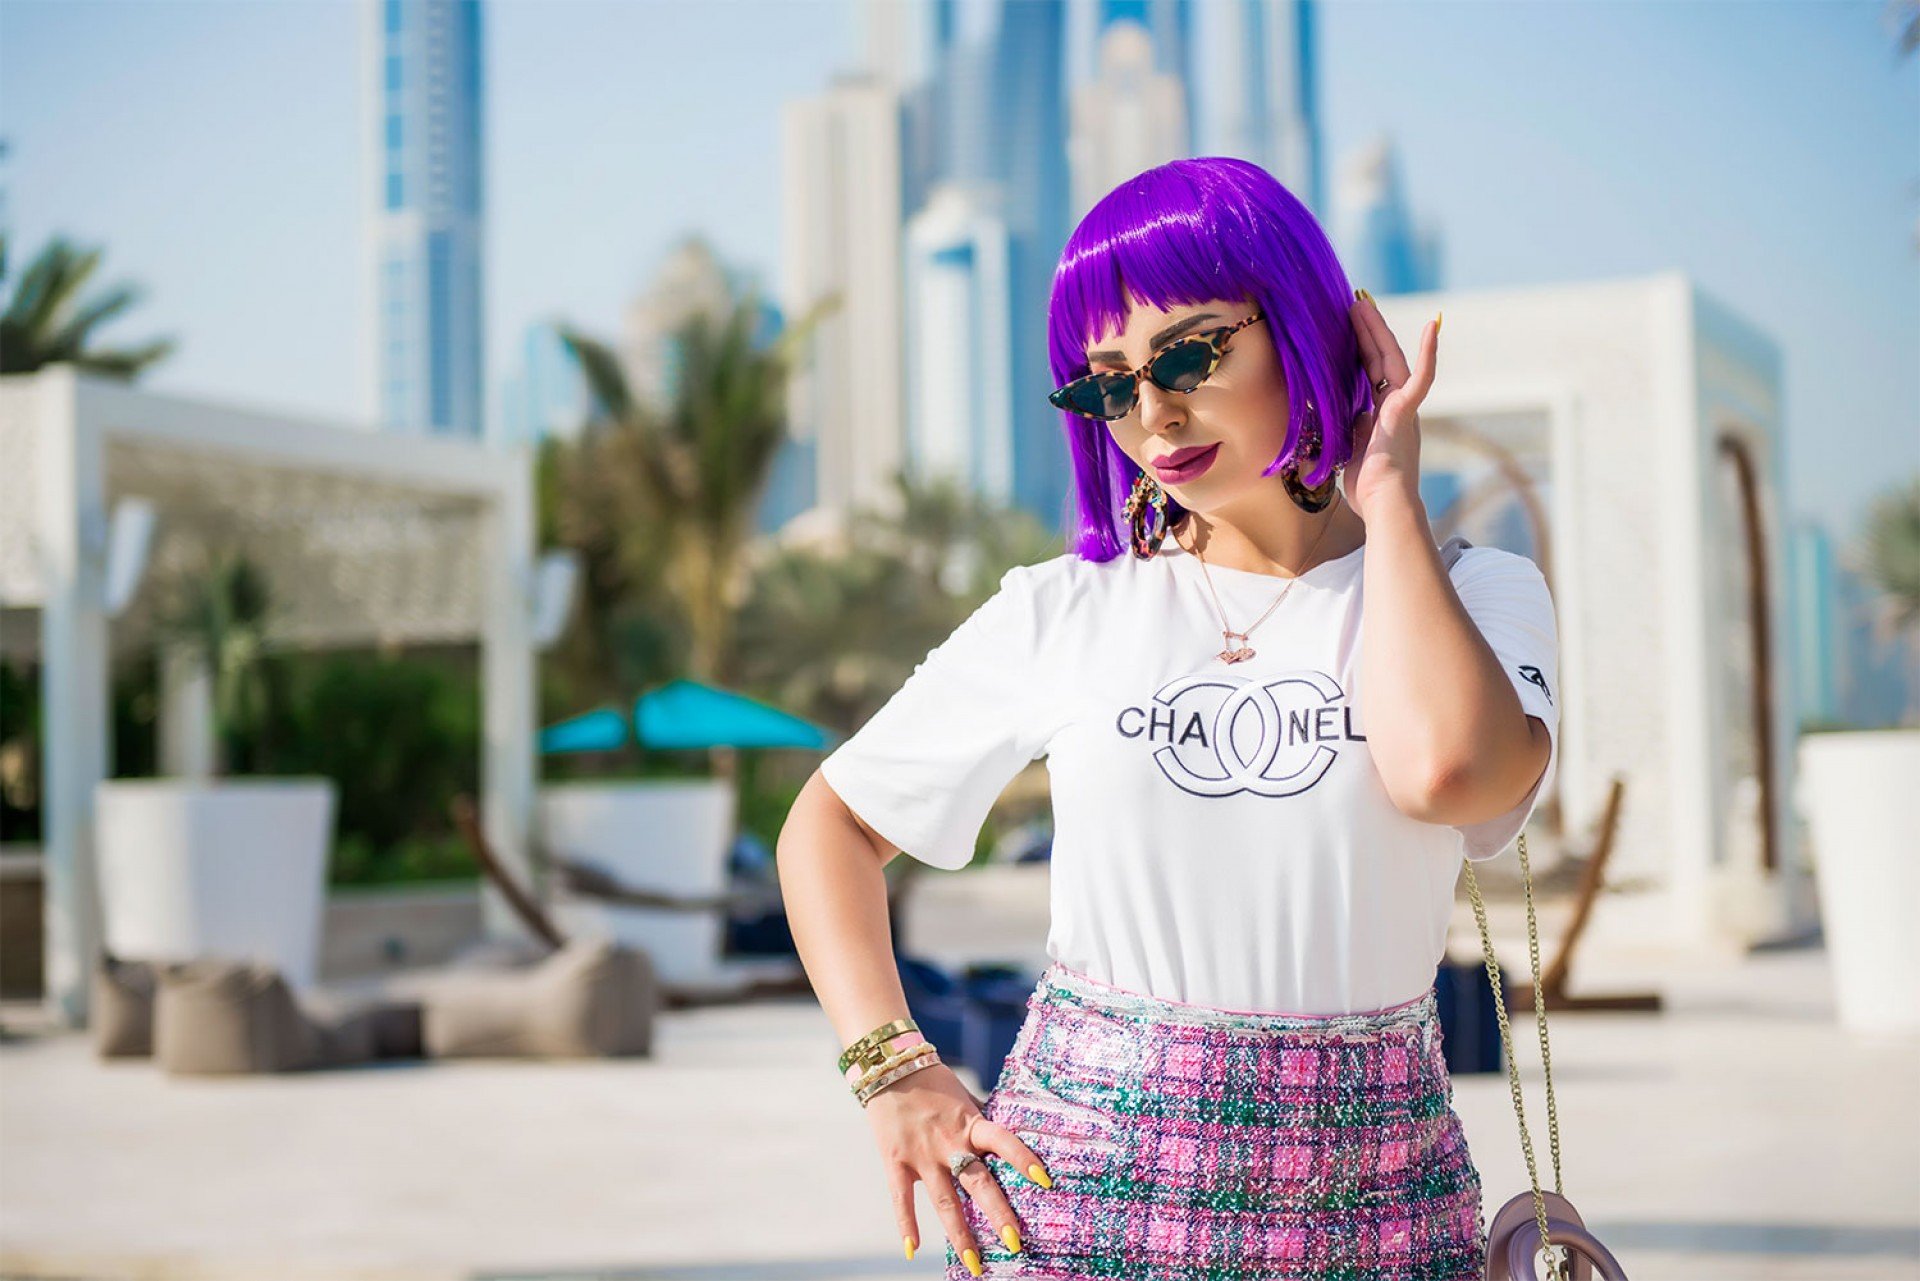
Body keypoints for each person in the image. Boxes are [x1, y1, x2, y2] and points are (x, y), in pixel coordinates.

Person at [775, 156, 1559, 1281]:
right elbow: (831, 824)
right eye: (1108, 382)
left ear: (1301, 326)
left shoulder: (1475, 593)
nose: (1152, 411)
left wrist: (1386, 493)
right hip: (1075, 1204)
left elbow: (1452, 778)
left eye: (1190, 354)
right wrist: (893, 1070)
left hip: (1382, 1212)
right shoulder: (1066, 608)